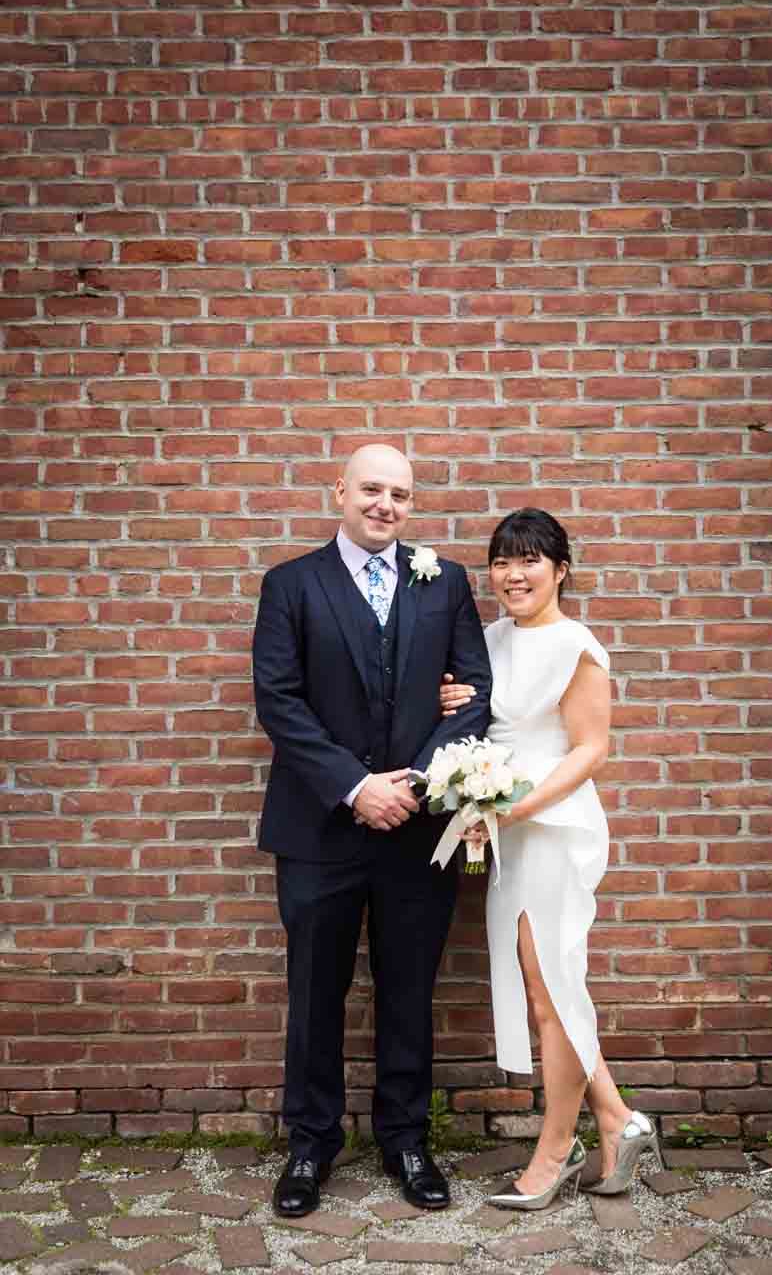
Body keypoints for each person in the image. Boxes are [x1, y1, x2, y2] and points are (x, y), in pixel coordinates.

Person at [252, 444, 492, 1218]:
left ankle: (406, 1139)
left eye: (400, 494)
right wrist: (355, 788)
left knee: (408, 990)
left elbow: (475, 693)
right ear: (340, 493)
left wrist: (417, 781)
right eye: (371, 490)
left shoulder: (445, 580)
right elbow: (278, 700)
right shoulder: (290, 584)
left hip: (416, 827)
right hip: (320, 825)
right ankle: (310, 1145)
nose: (385, 504)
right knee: (315, 990)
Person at [440, 508, 661, 1207]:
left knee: (550, 992)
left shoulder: (578, 645)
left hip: (555, 828)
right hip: (504, 829)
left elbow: (591, 748)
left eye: (530, 560)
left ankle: (554, 1151)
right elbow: (474, 714)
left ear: (560, 569)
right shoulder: (486, 639)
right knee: (546, 990)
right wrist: (451, 702)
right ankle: (618, 1121)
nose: (513, 574)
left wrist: (516, 806)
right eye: (502, 561)